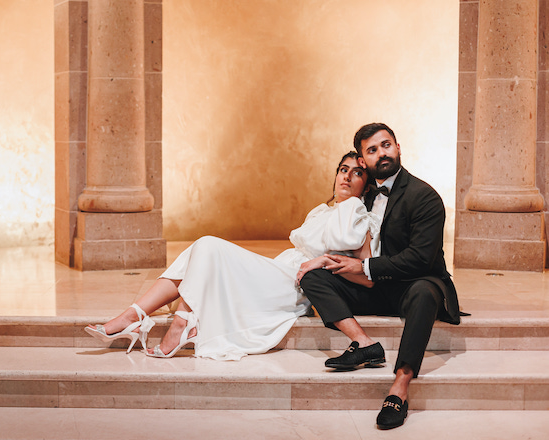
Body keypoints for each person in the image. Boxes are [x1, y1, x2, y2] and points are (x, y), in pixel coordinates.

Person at [85, 152, 381, 361]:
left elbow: (363, 269)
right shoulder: (321, 211)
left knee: (208, 245)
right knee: (198, 252)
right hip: (281, 268)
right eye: (343, 169)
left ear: (366, 186)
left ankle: (176, 323)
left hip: (296, 284)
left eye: (357, 173)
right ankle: (134, 315)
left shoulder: (356, 212)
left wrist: (325, 258)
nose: (347, 176)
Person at [300, 123, 461, 430]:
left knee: (426, 291)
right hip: (375, 288)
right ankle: (363, 344)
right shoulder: (365, 196)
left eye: (386, 145)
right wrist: (327, 261)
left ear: (398, 148)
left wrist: (365, 268)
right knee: (314, 275)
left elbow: (420, 258)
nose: (381, 153)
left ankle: (400, 386)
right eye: (372, 150)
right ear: (363, 160)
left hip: (414, 284)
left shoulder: (424, 196)